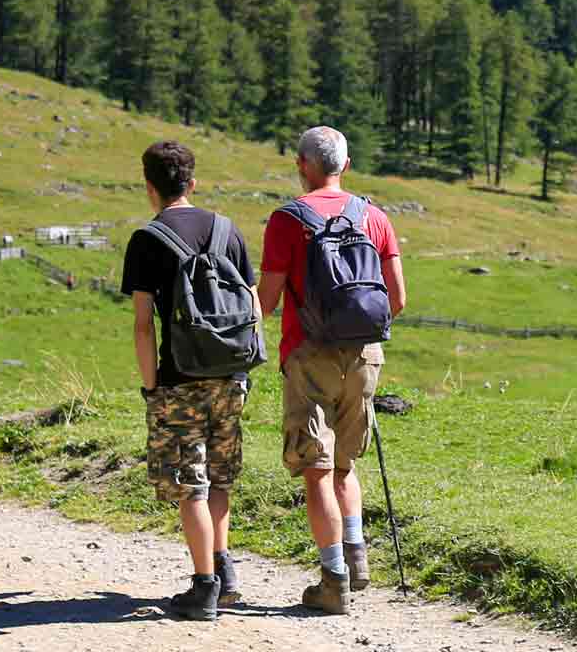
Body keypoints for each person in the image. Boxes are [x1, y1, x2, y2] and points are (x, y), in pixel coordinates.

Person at [259, 125, 406, 615]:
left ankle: (333, 581)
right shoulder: (376, 217)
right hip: (365, 355)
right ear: (346, 165)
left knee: (316, 469)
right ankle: (357, 556)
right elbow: (398, 300)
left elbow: (269, 300)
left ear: (302, 164)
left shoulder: (287, 220)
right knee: (345, 465)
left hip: (309, 355)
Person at [120, 141, 254, 621]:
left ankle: (203, 590)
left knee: (190, 484)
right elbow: (252, 306)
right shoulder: (227, 230)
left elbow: (142, 324)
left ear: (150, 187)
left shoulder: (147, 239)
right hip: (231, 375)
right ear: (192, 183)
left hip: (178, 379)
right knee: (220, 477)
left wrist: (152, 385)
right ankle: (224, 568)